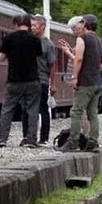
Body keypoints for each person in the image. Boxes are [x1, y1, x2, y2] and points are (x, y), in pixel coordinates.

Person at [56, 14, 102, 152]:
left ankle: (73, 141)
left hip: (84, 82)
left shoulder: (82, 38)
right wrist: (98, 68)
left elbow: (79, 59)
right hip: (96, 82)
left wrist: (75, 77)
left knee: (76, 111)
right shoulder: (99, 40)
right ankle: (93, 141)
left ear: (84, 24)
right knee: (92, 114)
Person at [0, 14, 43, 148]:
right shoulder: (35, 39)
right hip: (32, 80)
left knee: (7, 109)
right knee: (32, 110)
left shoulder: (9, 38)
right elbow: (38, 56)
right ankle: (31, 139)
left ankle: (2, 139)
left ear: (15, 24)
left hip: (14, 80)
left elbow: (1, 58)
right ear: (28, 24)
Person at [26, 14, 57, 146]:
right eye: (31, 25)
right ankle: (29, 136)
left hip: (42, 80)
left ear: (42, 26)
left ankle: (44, 137)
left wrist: (53, 84)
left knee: (43, 109)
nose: (32, 28)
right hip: (28, 79)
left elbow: (52, 65)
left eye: (34, 25)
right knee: (29, 109)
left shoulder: (48, 44)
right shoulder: (29, 41)